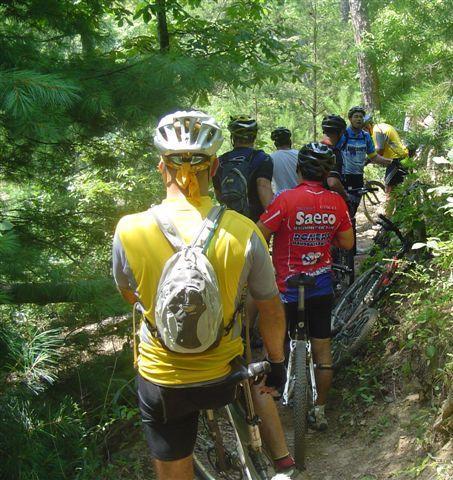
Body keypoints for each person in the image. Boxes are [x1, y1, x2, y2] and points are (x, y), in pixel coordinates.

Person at [112, 111, 299, 480]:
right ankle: (281, 463)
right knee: (255, 376)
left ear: (161, 167)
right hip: (223, 376)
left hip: (163, 380)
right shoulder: (243, 231)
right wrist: (277, 365)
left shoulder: (128, 230)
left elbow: (128, 293)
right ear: (214, 168)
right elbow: (272, 310)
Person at [257, 142, 354, 431]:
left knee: (275, 345)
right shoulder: (336, 202)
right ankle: (320, 410)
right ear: (326, 174)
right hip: (320, 285)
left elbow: (259, 235)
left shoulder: (285, 200)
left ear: (299, 170)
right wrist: (327, 238)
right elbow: (347, 243)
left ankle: (271, 393)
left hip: (285, 289)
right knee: (323, 353)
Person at [213, 115, 274, 222]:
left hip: (229, 221)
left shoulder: (221, 161)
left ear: (233, 137)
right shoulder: (262, 158)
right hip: (255, 222)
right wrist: (272, 219)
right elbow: (263, 185)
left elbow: (219, 195)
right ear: (254, 137)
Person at [339, 106, 392, 217]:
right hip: (344, 176)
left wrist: (390, 162)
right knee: (344, 209)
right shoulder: (344, 135)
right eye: (356, 117)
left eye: (361, 117)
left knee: (353, 209)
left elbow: (374, 156)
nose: (359, 119)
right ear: (350, 119)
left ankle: (351, 231)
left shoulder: (366, 136)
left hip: (358, 177)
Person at [363, 115, 410, 195]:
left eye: (363, 129)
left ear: (368, 126)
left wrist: (367, 161)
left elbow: (379, 150)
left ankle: (390, 207)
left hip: (396, 160)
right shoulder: (382, 126)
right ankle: (398, 206)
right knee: (397, 190)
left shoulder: (377, 131)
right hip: (401, 158)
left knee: (389, 189)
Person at [320, 114, 349, 202]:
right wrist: (346, 198)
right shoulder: (332, 152)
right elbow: (333, 183)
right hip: (328, 201)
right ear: (340, 133)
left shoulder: (313, 149)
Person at [270, 127, 299, 193]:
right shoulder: (300, 155)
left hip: (281, 198)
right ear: (290, 142)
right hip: (300, 195)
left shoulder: (270, 158)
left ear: (275, 144)